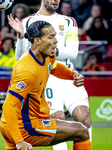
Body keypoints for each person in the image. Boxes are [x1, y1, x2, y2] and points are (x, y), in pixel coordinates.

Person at [8, 0, 92, 149]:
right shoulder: (27, 22)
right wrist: (21, 37)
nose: (56, 1)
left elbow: (73, 52)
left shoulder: (68, 21)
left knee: (84, 118)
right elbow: (21, 57)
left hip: (67, 75)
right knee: (56, 119)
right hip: (46, 77)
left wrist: (49, 48)